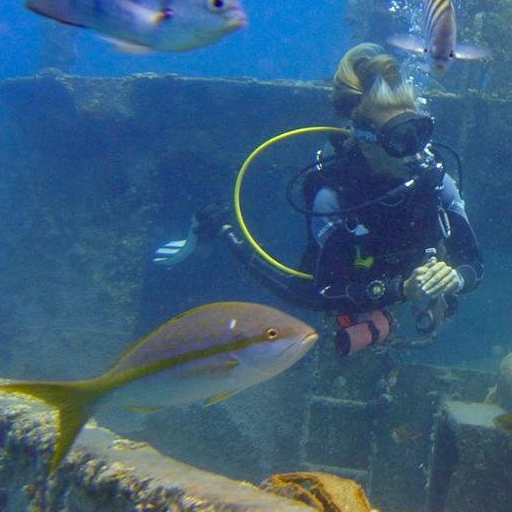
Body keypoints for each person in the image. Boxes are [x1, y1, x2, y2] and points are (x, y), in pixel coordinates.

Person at [180, 44, 483, 355]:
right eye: (399, 139)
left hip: (406, 267)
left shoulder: (435, 182)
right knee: (300, 296)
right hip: (356, 273)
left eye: (420, 133)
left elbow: (473, 262)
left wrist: (454, 279)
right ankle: (224, 233)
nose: (415, 150)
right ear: (368, 145)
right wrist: (399, 290)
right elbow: (324, 292)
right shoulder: (335, 195)